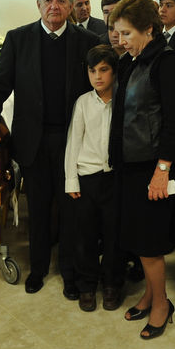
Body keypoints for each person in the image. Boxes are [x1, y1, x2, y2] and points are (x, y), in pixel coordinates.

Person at [0, 0, 99, 299]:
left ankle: (70, 273)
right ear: (38, 4)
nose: (54, 6)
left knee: (71, 212)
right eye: (48, 0)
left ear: (70, 6)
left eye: (61, 1)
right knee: (39, 210)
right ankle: (38, 269)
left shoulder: (88, 41)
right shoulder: (19, 39)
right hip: (34, 141)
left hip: (74, 141)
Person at [108, 0, 175, 340]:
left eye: (127, 33)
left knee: (151, 243)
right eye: (118, 33)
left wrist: (162, 170)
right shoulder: (131, 62)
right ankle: (151, 295)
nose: (121, 40)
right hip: (129, 165)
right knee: (138, 241)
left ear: (149, 29)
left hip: (153, 166)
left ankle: (161, 305)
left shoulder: (168, 63)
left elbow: (174, 122)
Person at [64, 44, 125, 312]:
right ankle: (87, 285)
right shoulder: (83, 102)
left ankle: (111, 284)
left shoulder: (123, 100)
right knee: (85, 235)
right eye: (92, 71)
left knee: (113, 235)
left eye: (103, 70)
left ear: (114, 71)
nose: (97, 76)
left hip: (114, 178)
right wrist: (71, 180)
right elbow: (73, 142)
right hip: (87, 177)